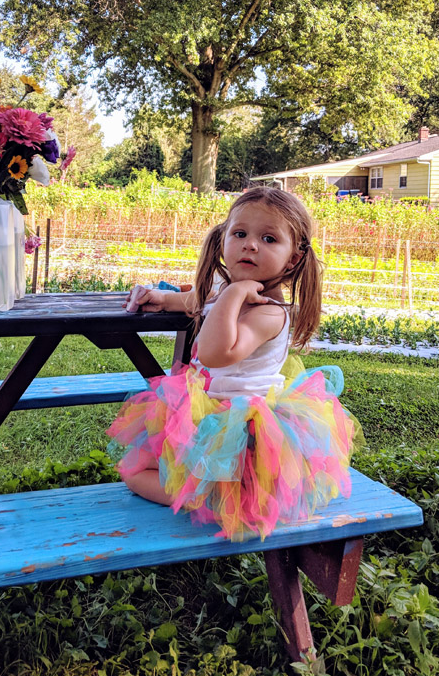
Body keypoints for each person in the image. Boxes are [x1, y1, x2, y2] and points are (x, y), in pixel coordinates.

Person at [108, 188, 362, 540]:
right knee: (135, 468)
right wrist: (160, 297)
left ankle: (210, 501)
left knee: (137, 473)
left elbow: (216, 352)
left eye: (268, 238)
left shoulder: (270, 313)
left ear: (292, 259)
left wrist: (233, 294)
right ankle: (207, 492)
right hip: (206, 416)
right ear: (223, 239)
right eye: (239, 233)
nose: (250, 245)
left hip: (242, 428)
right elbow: (191, 301)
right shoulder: (222, 292)